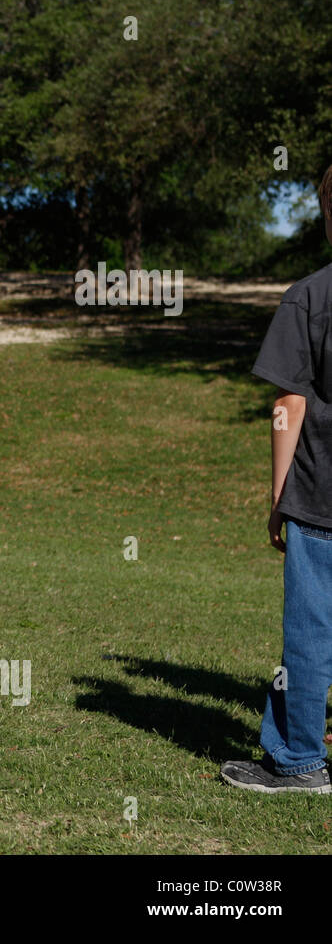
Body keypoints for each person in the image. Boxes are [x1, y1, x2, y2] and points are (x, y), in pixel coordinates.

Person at [220, 162, 332, 794]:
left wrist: (277, 499)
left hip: (321, 498)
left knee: (313, 633)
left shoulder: (311, 296)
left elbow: (288, 407)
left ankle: (298, 762)